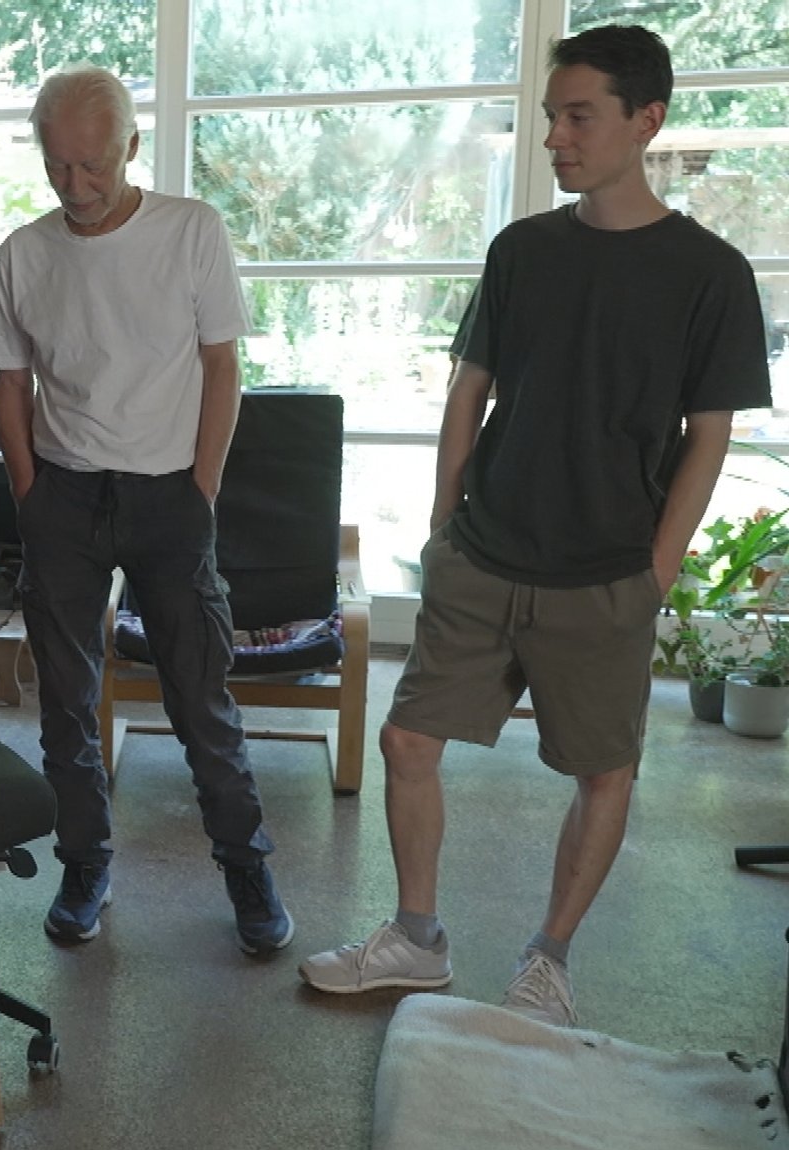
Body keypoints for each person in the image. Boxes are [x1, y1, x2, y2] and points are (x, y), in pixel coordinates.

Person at [299, 25, 771, 1027]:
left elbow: (708, 434)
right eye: (549, 115)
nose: (553, 136)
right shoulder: (521, 251)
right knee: (405, 738)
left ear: (645, 121)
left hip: (605, 572)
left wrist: (655, 568)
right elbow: (468, 391)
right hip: (484, 550)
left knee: (604, 771)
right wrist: (440, 530)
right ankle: (415, 940)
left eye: (576, 115)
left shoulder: (709, 273)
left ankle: (546, 962)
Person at [0, 66, 294, 956]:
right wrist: (30, 491)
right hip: (65, 495)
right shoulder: (25, 252)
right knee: (66, 705)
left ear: (130, 146)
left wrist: (201, 486)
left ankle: (247, 869)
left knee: (201, 701)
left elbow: (222, 366)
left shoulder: (191, 230)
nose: (76, 188)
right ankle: (86, 867)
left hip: (168, 496)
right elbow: (11, 383)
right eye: (58, 167)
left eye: (94, 166)